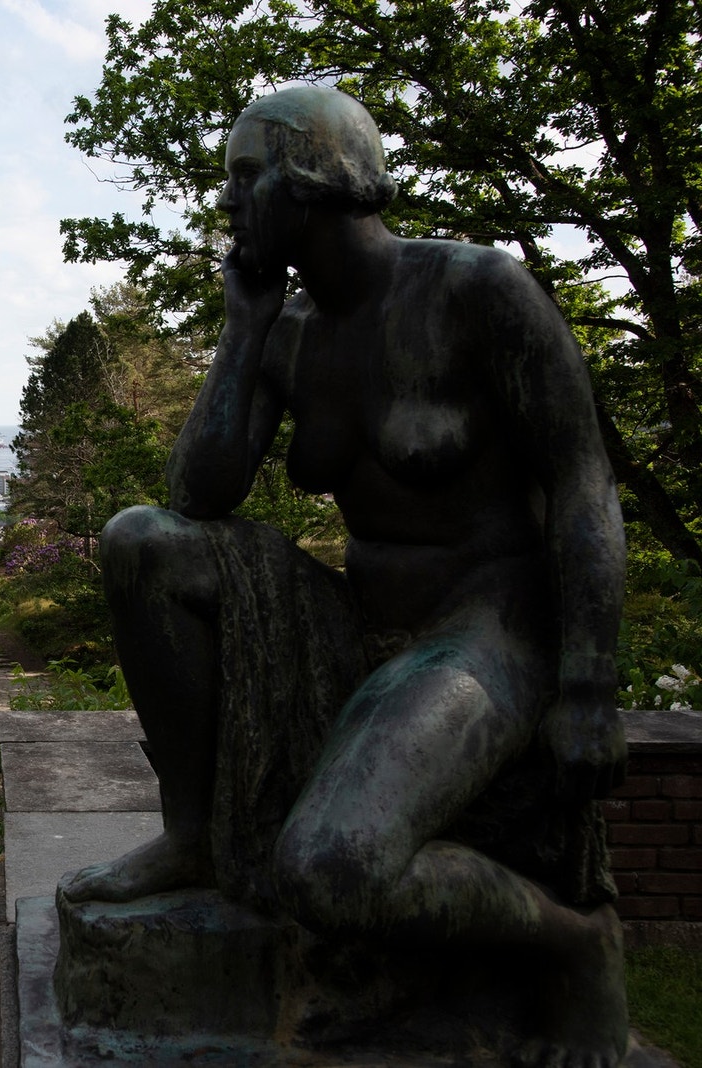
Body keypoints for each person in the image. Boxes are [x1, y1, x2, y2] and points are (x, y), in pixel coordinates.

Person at [59, 86, 628, 1067]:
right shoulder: (289, 338)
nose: (224, 203)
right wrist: (243, 328)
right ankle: (192, 835)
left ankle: (575, 945)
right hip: (357, 615)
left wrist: (588, 683)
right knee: (141, 543)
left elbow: (584, 485)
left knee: (331, 869)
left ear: (317, 179)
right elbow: (197, 494)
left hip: (488, 623)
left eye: (244, 177)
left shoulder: (477, 291)